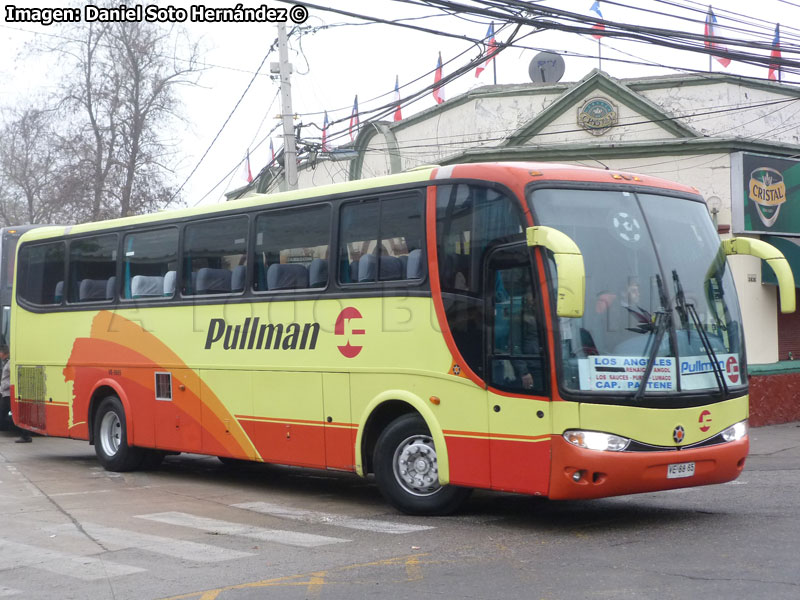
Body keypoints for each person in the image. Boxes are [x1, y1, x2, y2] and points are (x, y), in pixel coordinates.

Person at [0, 345, 31, 443]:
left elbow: (15, 376)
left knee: (14, 413)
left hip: (9, 393)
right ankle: (26, 435)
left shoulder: (10, 363)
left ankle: (26, 435)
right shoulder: (6, 362)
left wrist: (6, 386)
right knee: (5, 412)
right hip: (6, 393)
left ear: (4, 353)